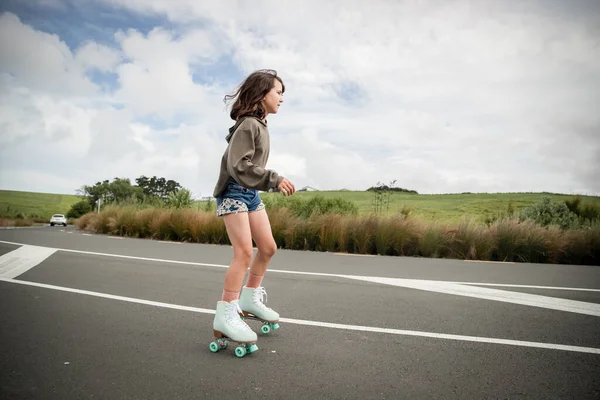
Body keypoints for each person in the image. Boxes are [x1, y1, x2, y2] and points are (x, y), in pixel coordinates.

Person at [210, 69, 295, 354]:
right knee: (244, 253)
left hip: (249, 192)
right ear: (262, 94)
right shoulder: (248, 124)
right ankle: (226, 312)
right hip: (234, 191)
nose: (282, 98)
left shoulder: (260, 125)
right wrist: (274, 178)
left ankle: (248, 299)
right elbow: (239, 165)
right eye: (278, 92)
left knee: (268, 248)